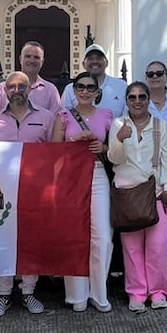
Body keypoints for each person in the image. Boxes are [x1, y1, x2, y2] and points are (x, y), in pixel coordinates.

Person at [0, 71, 56, 318]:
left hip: (34, 191)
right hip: (2, 193)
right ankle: (3, 294)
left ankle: (28, 292)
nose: (17, 90)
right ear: (4, 90)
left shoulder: (46, 118)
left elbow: (53, 154)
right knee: (2, 241)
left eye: (21, 86)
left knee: (31, 241)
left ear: (29, 89)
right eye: (11, 86)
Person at [108, 81, 167, 312]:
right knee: (132, 249)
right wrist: (119, 139)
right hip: (127, 196)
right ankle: (136, 293)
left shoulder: (161, 126)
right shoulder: (118, 124)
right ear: (126, 101)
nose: (137, 101)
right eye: (132, 97)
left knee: (158, 247)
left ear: (148, 100)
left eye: (141, 97)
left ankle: (158, 291)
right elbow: (115, 159)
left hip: (154, 194)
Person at [52, 71, 115, 312]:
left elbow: (116, 150)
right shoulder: (64, 116)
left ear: (97, 92)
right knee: (75, 235)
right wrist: (74, 143)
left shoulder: (107, 116)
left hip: (97, 172)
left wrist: (104, 146)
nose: (86, 91)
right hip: (71, 177)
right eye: (81, 87)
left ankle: (99, 293)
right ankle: (76, 293)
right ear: (74, 90)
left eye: (90, 87)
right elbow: (53, 152)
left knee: (101, 236)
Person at [0, 41, 61, 114]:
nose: (32, 60)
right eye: (28, 56)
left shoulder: (51, 90)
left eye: (36, 57)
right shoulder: (2, 88)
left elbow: (55, 121)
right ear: (20, 59)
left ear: (42, 62)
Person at [61, 44, 128, 118]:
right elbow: (64, 118)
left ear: (107, 63)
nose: (95, 61)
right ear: (83, 64)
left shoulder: (122, 86)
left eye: (99, 58)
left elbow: (128, 116)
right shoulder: (70, 89)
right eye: (90, 58)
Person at [144, 60, 167, 127]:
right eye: (150, 74)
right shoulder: (139, 102)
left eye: (159, 73)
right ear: (146, 78)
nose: (155, 77)